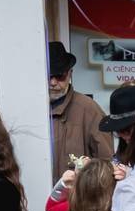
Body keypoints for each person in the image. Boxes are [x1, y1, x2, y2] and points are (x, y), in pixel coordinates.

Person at [46, 41, 111, 181]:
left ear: (70, 74)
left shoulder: (89, 109)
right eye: (48, 76)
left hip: (77, 199)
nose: (53, 82)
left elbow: (105, 164)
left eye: (60, 76)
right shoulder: (30, 110)